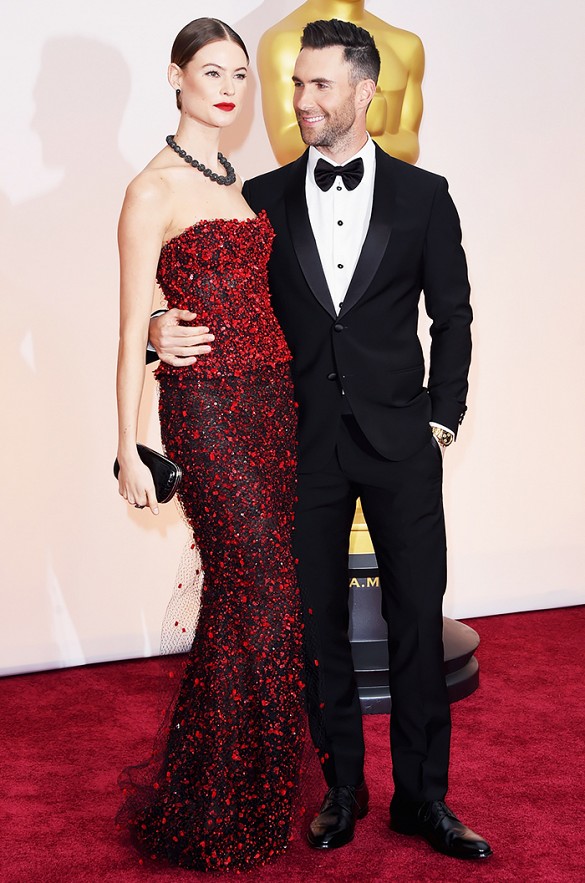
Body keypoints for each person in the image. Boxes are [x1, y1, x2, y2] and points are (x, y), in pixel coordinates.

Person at [150, 18, 492, 862]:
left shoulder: (424, 195)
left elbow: (452, 316)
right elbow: (207, 286)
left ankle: (423, 799)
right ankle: (342, 790)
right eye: (296, 84)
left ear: (363, 91)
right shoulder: (260, 197)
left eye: (318, 85)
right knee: (317, 627)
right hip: (295, 443)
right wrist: (158, 324)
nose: (300, 99)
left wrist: (440, 416)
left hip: (401, 442)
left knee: (416, 624)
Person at [115, 18, 307, 872]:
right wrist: (127, 443)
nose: (229, 89)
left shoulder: (241, 183)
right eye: (211, 71)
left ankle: (243, 792)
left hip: (273, 405)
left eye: (239, 75)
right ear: (175, 77)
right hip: (208, 413)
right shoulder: (151, 189)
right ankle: (210, 802)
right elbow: (130, 327)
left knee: (254, 598)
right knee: (256, 590)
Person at [257, 0, 424, 164]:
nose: (303, 101)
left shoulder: (406, 45)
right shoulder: (282, 40)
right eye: (299, 84)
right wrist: (360, 128)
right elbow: (287, 149)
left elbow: (410, 145)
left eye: (321, 85)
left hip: (390, 181)